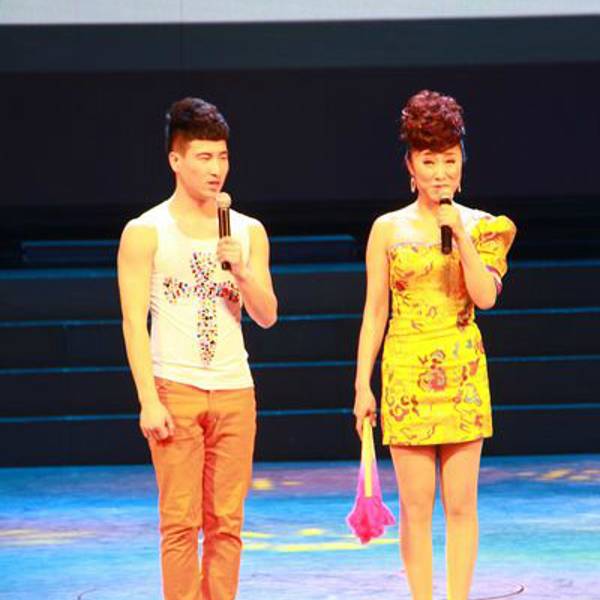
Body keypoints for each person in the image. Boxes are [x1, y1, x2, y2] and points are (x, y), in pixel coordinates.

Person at [353, 90, 516, 600]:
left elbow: (485, 297)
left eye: (449, 160)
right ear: (410, 165)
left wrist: (461, 237)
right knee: (416, 505)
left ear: (462, 162)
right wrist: (362, 385)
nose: (440, 172)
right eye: (428, 161)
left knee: (461, 505)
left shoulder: (484, 226)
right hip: (405, 372)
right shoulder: (386, 230)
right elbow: (375, 311)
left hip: (463, 373)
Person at [117, 97, 277, 600]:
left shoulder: (247, 231)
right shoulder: (145, 232)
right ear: (176, 159)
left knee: (227, 523)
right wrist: (148, 399)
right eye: (204, 157)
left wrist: (243, 272)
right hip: (176, 389)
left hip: (234, 390)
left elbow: (267, 315)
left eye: (222, 157)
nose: (216, 169)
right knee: (180, 523)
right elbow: (133, 322)